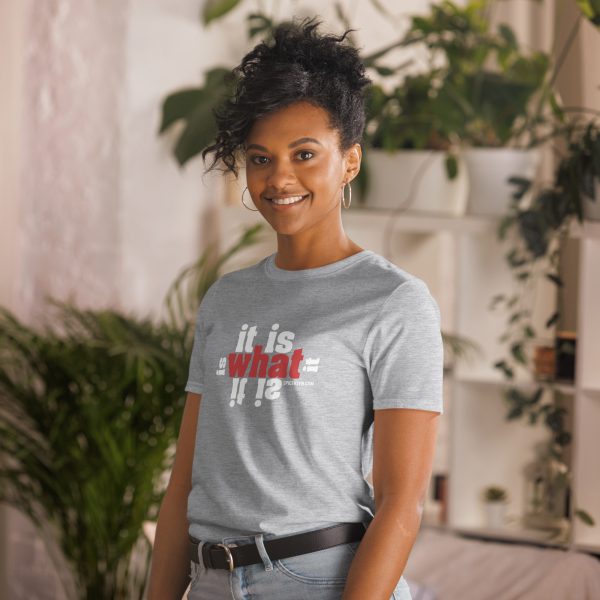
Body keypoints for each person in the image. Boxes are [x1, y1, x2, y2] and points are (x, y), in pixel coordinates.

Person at [147, 16, 443, 600]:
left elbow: (401, 502)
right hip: (210, 580)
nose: (279, 178)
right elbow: (186, 480)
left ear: (349, 161)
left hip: (317, 578)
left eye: (304, 154)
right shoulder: (226, 298)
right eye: (260, 158)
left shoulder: (394, 301)